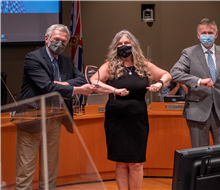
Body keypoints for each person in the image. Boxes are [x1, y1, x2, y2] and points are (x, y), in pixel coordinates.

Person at [16, 24, 96, 190]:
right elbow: (47, 87)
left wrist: (65, 83)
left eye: (63, 42)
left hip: (55, 118)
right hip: (32, 119)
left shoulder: (65, 60)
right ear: (47, 39)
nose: (60, 44)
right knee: (26, 169)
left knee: (50, 167)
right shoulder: (33, 58)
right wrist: (76, 89)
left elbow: (81, 78)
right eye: (56, 40)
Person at [91, 30, 171, 190]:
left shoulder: (143, 65)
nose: (123, 46)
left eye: (126, 43)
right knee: (121, 163)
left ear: (133, 45)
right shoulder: (110, 66)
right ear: (115, 47)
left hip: (138, 119)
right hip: (116, 118)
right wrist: (113, 90)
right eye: (120, 44)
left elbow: (166, 75)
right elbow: (93, 82)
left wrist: (159, 84)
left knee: (136, 163)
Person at [170, 18, 220, 148]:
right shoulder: (189, 53)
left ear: (216, 34)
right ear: (198, 35)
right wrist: (199, 81)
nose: (207, 36)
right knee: (201, 156)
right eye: (204, 33)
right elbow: (174, 72)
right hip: (197, 113)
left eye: (210, 32)